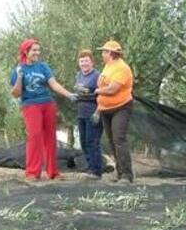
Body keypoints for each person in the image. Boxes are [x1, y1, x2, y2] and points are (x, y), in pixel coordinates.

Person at [10, 39, 76, 181]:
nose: (37, 53)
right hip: (30, 105)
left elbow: (53, 84)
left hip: (47, 104)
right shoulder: (18, 70)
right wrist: (20, 77)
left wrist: (69, 94)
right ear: (25, 52)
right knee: (34, 136)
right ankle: (32, 172)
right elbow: (15, 93)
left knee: (50, 138)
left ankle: (53, 172)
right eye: (34, 50)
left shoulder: (43, 67)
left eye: (38, 50)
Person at [93, 40, 135, 184]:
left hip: (121, 107)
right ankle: (120, 171)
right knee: (112, 141)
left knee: (119, 139)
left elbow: (112, 89)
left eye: (104, 52)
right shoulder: (107, 66)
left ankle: (127, 175)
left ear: (111, 53)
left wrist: (97, 91)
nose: (102, 54)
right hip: (106, 109)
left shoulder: (122, 68)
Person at [74, 50, 103, 180]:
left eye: (86, 60)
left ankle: (96, 171)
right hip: (81, 112)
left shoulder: (98, 76)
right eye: (81, 61)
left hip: (93, 112)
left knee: (93, 142)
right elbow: (79, 88)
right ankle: (90, 167)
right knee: (83, 142)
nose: (84, 63)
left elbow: (103, 94)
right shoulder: (78, 75)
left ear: (92, 62)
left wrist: (98, 112)